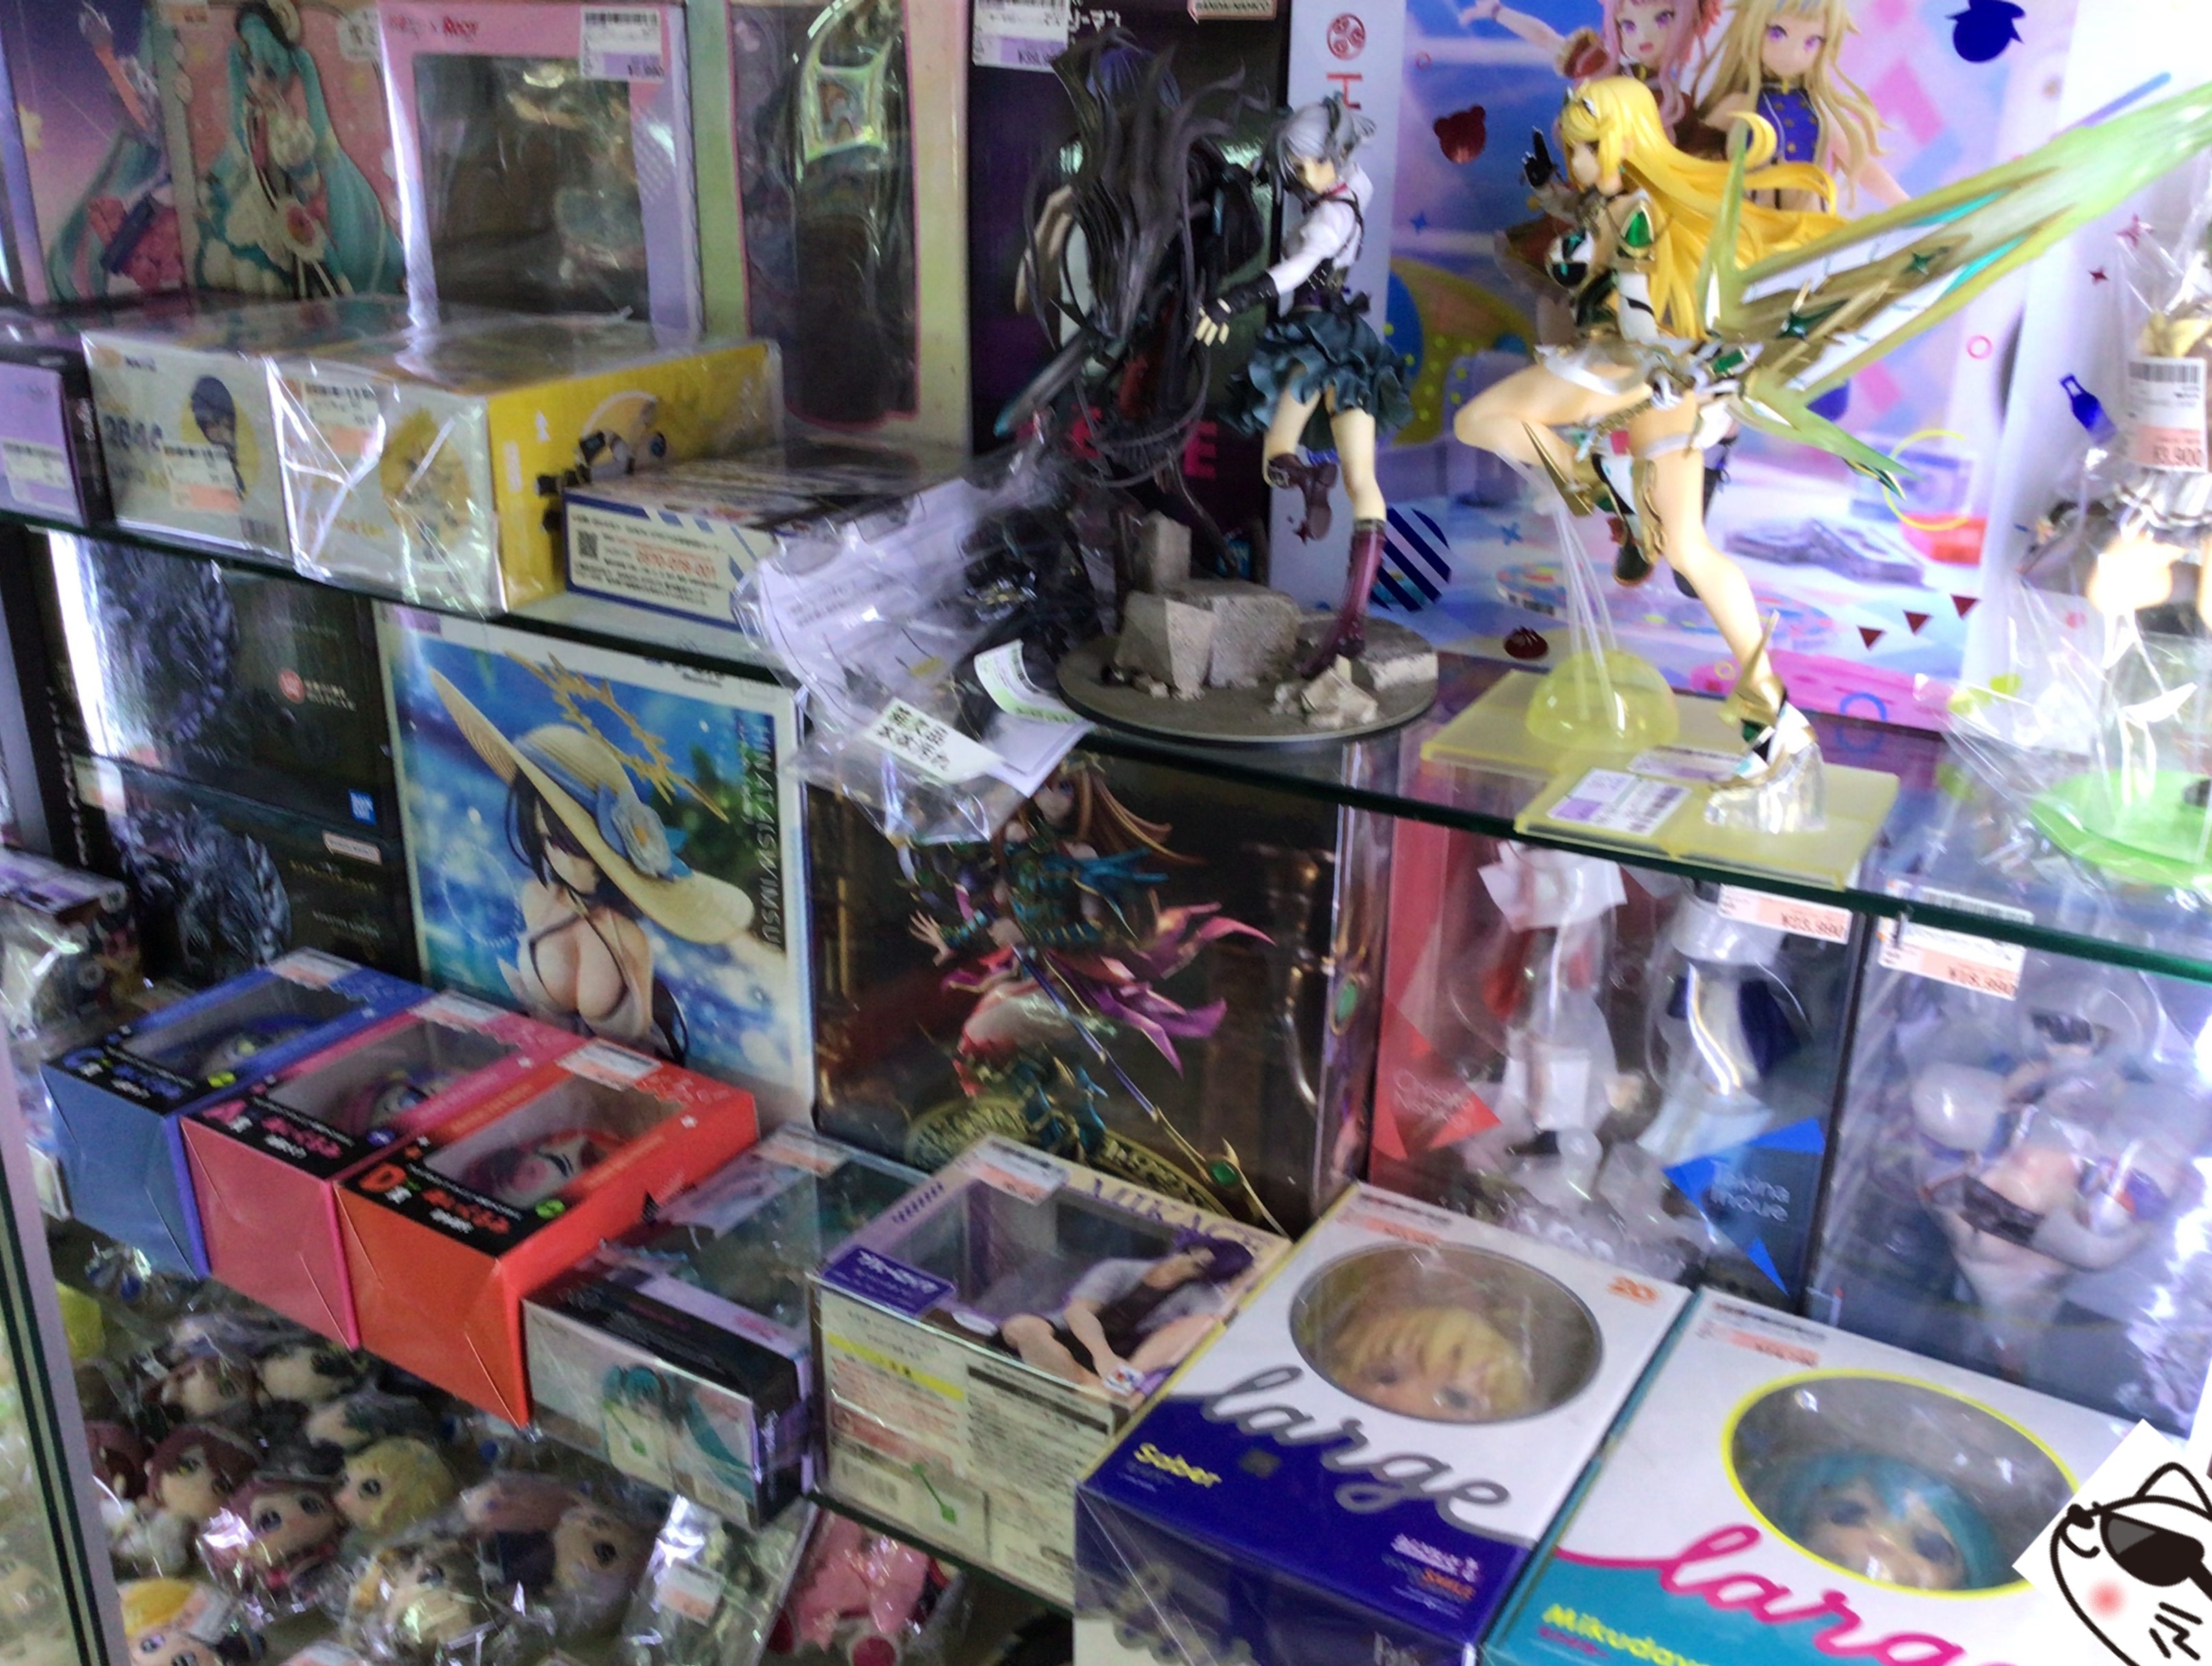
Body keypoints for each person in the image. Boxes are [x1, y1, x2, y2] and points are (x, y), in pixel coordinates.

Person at [1452, 76, 1839, 791]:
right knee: (1689, 548)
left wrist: (1654, 359)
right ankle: (1777, 717)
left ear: (1623, 142)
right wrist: (1549, 193)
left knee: (1480, 419)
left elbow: (1631, 304)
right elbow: (1576, 224)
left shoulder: (1634, 213)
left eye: (1586, 148)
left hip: (1626, 365)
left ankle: (1598, 482)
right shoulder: (1610, 204)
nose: (1577, 162)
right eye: (1572, 149)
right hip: (1655, 377)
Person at [432, 673, 758, 1065]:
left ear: (607, 852)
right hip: (534, 1073)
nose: (561, 859)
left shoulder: (629, 939)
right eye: (548, 842)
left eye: (573, 845)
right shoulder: (537, 898)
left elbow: (648, 1049)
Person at [1197, 98, 1413, 674]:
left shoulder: (1328, 219)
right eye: (1293, 166)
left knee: (1275, 456)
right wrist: (1269, 159)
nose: (1299, 176)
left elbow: (1297, 269)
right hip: (1353, 346)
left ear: (1332, 155)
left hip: (1311, 341)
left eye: (1306, 165)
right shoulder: (1355, 190)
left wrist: (1235, 299)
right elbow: (1338, 175)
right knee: (1363, 483)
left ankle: (1307, 477)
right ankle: (1352, 620)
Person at [193, 0, 403, 296]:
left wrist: (299, 162)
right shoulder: (247, 122)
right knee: (228, 260)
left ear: (286, 70)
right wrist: (212, 186)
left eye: (268, 73)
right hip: (250, 206)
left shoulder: (289, 127)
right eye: (250, 70)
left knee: (311, 261)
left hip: (284, 209)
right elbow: (236, 160)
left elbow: (310, 182)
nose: (257, 83)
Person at [998, 1234, 1256, 1396]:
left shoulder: (1202, 1296)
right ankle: (1088, 1388)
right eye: (1188, 1253)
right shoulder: (1120, 1269)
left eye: (1198, 1267)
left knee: (1201, 1324)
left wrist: (1122, 1368)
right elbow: (1078, 1312)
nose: (1183, 1264)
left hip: (1126, 1360)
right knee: (1022, 1327)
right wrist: (1103, 1355)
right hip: (1073, 1336)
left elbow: (1203, 1329)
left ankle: (1092, 1388)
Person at [1461, 0, 1721, 136]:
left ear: (1693, 18)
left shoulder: (1679, 107)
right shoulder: (1601, 66)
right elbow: (1548, 40)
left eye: (1663, 18)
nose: (1644, 35)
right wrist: (1497, 11)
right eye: (1628, 25)